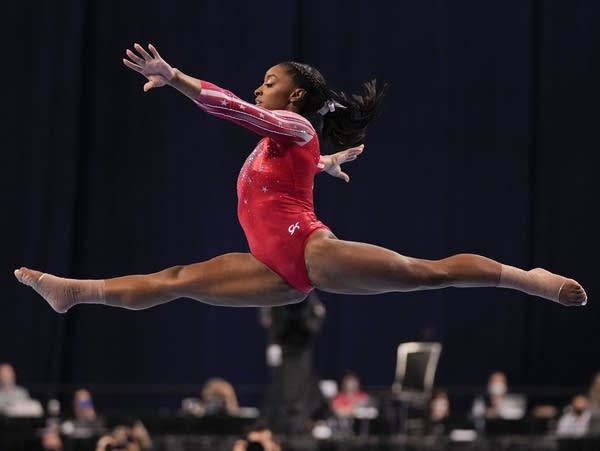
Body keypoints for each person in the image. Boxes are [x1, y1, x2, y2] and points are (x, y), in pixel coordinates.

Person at [14, 43, 587, 315]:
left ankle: (525, 277)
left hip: (306, 252)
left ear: (296, 95)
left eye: (269, 80)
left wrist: (176, 77)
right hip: (270, 267)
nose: (261, 87)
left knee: (424, 274)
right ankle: (75, 292)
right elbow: (284, 167)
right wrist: (324, 164)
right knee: (175, 279)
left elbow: (235, 109)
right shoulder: (287, 140)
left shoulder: (288, 123)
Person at [259, 291, 328, 434]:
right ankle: (284, 424)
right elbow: (269, 321)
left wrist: (317, 314)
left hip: (302, 350)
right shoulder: (277, 301)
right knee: (284, 388)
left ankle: (297, 423)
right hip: (284, 349)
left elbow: (315, 318)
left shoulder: (308, 297)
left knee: (298, 388)